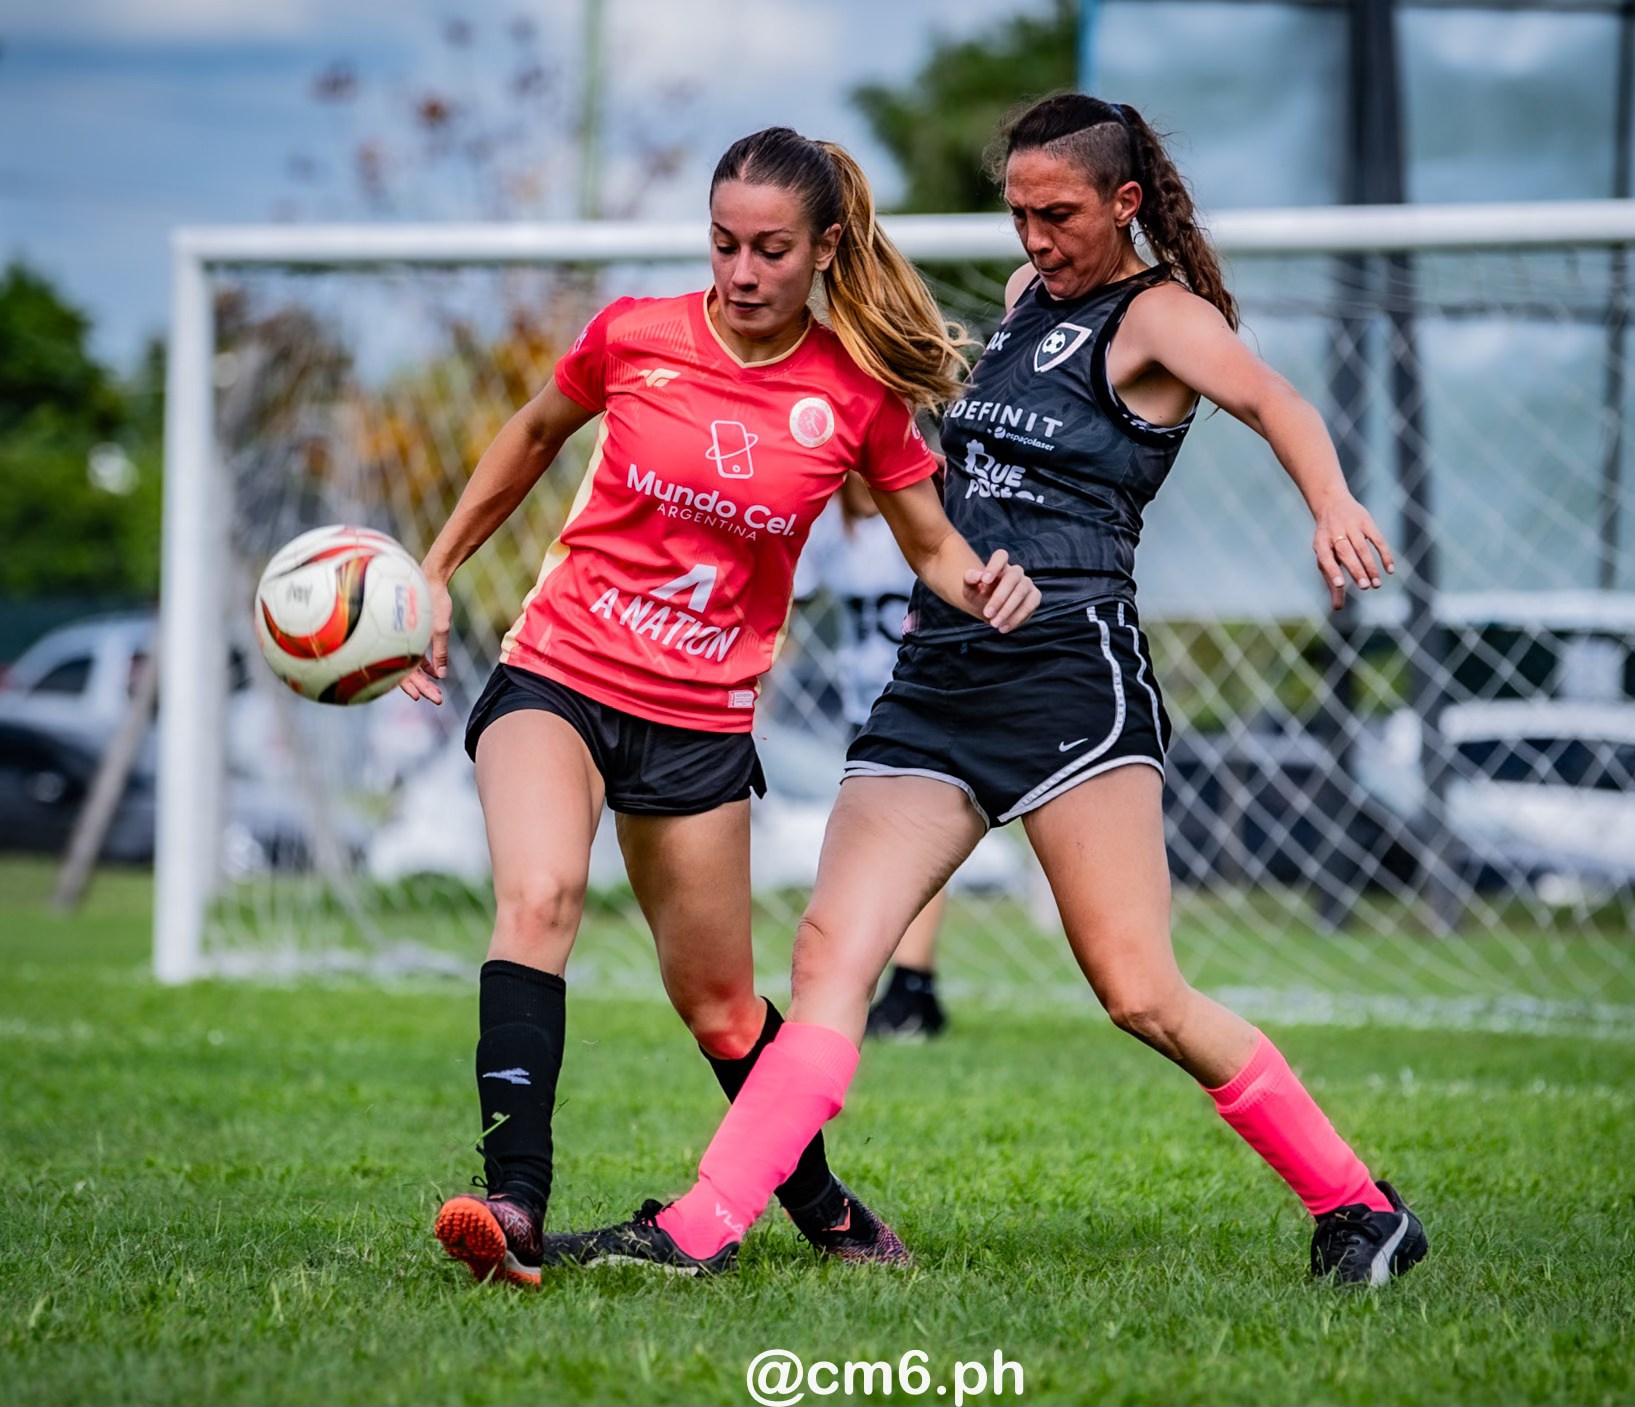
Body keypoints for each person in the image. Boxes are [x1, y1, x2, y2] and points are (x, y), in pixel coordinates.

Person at [549, 94, 1428, 1287]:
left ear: (1124, 204)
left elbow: (1277, 401)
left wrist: (1331, 502)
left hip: (1070, 683)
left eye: (1057, 214)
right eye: (1018, 213)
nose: (1034, 240)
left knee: (1139, 991)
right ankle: (696, 1231)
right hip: (942, 671)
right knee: (829, 963)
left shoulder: (1159, 315)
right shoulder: (1019, 306)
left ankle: (1361, 1209)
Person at [408, 125, 1040, 1289]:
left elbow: (933, 547)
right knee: (538, 897)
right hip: (558, 673)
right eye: (723, 244)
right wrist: (435, 570)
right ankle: (516, 1208)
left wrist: (988, 584)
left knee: (719, 1008)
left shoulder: (854, 396)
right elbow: (534, 435)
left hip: (702, 722)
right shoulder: (633, 336)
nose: (741, 272)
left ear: (824, 249)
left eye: (770, 249)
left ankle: (827, 1210)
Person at [793, 472, 949, 1040]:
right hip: (867, 704)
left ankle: (914, 982)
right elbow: (791, 602)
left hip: (925, 696)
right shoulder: (827, 519)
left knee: (916, 835)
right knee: (869, 841)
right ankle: (894, 982)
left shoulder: (923, 505)